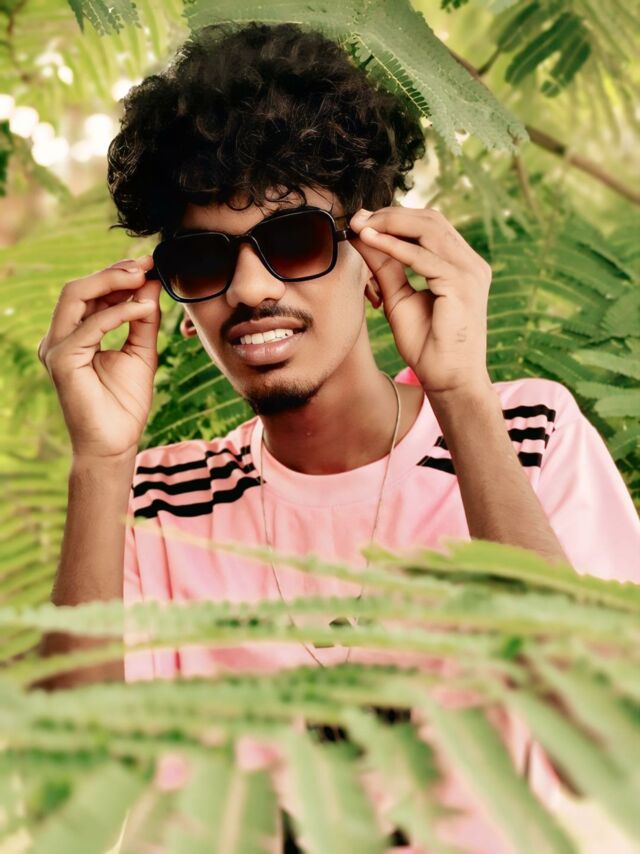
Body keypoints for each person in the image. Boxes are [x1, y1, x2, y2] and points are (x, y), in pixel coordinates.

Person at [37, 20, 639, 852]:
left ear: (374, 255)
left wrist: (461, 393)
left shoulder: (528, 434)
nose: (250, 289)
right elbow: (71, 803)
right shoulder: (158, 503)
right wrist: (100, 463)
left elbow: (601, 751)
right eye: (205, 260)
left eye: (294, 241)